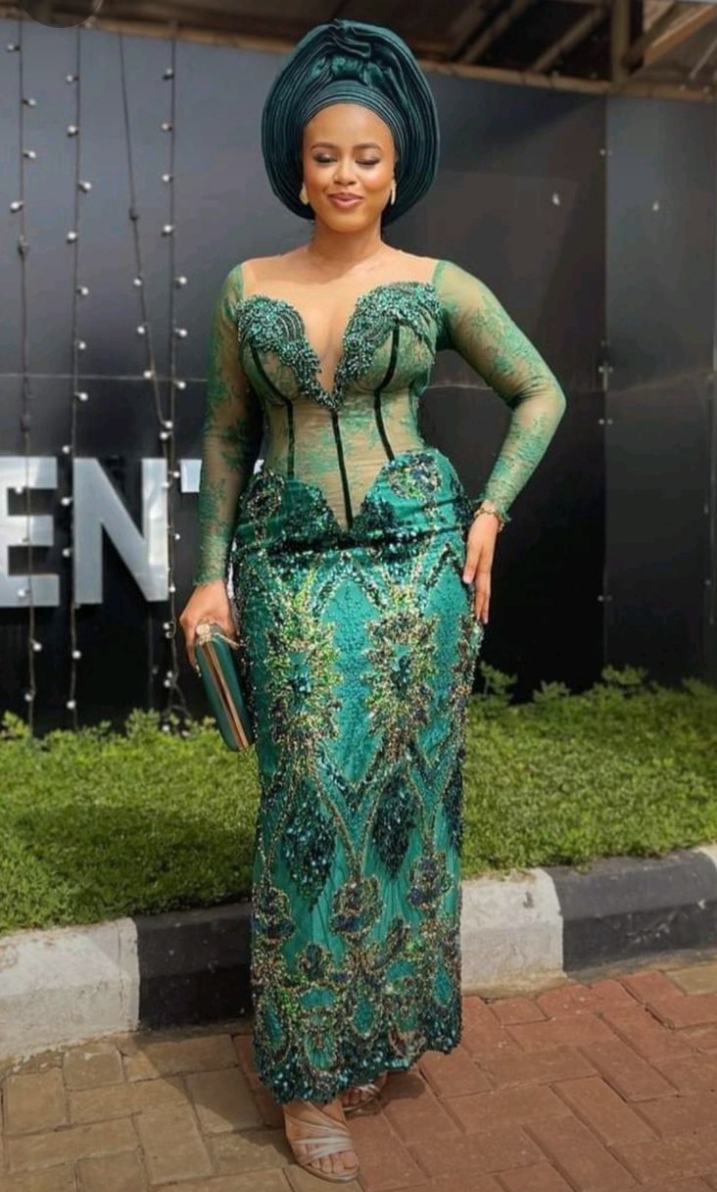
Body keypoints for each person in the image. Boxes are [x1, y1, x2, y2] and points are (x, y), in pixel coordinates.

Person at [179, 17, 567, 1184]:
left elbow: (539, 392)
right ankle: (306, 1074)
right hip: (289, 568)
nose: (345, 174)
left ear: (398, 173)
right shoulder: (247, 289)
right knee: (308, 799)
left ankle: (379, 1031)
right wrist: (210, 573)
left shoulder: (438, 286)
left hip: (416, 572)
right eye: (325, 156)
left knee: (404, 802)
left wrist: (489, 514)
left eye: (367, 157)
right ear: (297, 169)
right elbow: (228, 433)